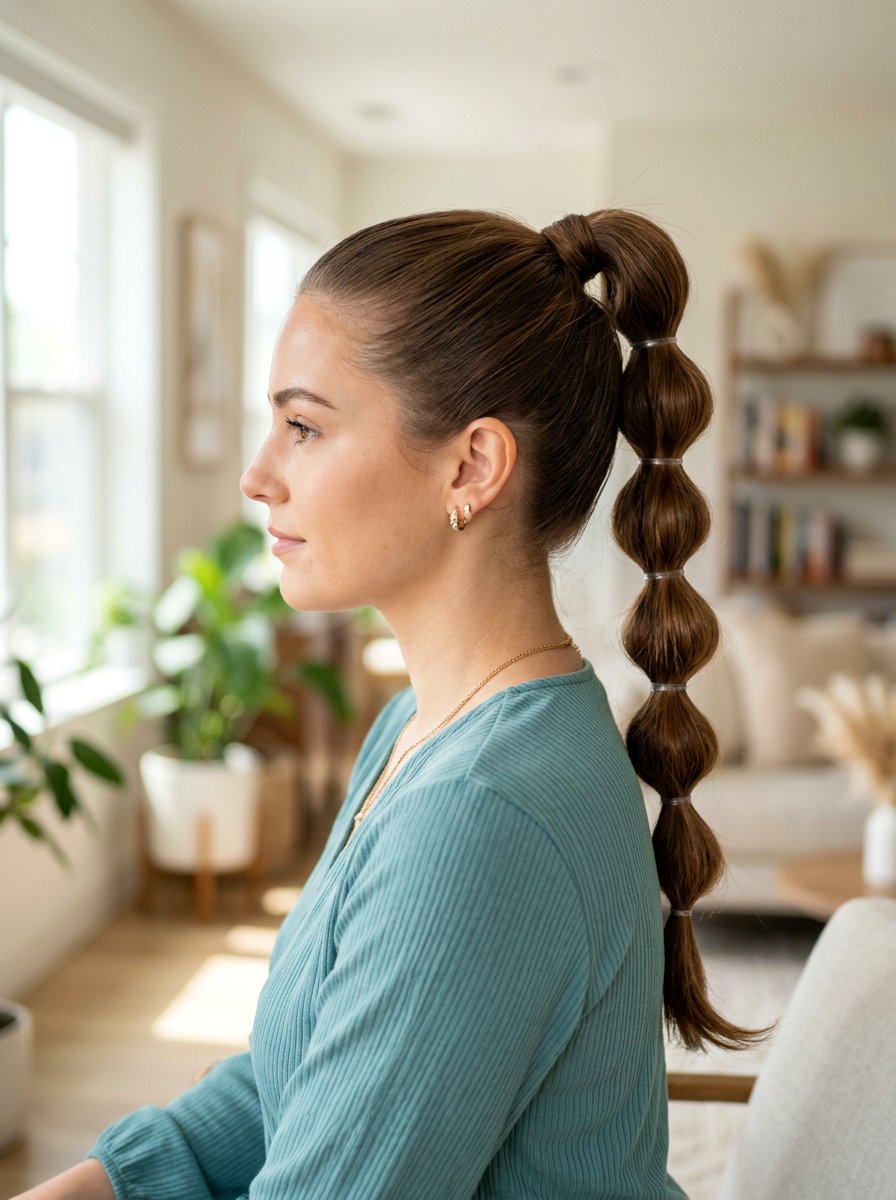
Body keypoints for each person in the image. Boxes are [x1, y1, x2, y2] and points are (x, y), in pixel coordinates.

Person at [18, 208, 774, 1200]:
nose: (256, 477)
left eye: (301, 426)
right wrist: (97, 1183)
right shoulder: (424, 728)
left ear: (470, 468)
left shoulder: (483, 816)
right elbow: (303, 1079)